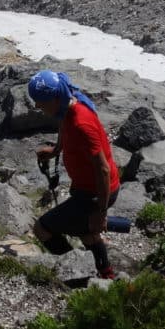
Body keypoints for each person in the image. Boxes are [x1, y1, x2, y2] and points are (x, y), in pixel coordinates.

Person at [29, 70, 121, 279]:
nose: (37, 106)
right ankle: (104, 273)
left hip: (94, 193)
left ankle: (76, 271)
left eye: (40, 101)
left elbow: (103, 169)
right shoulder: (69, 104)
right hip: (86, 189)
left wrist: (101, 212)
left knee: (42, 229)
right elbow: (64, 126)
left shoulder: (81, 123)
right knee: (86, 232)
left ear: (54, 98)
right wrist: (56, 151)